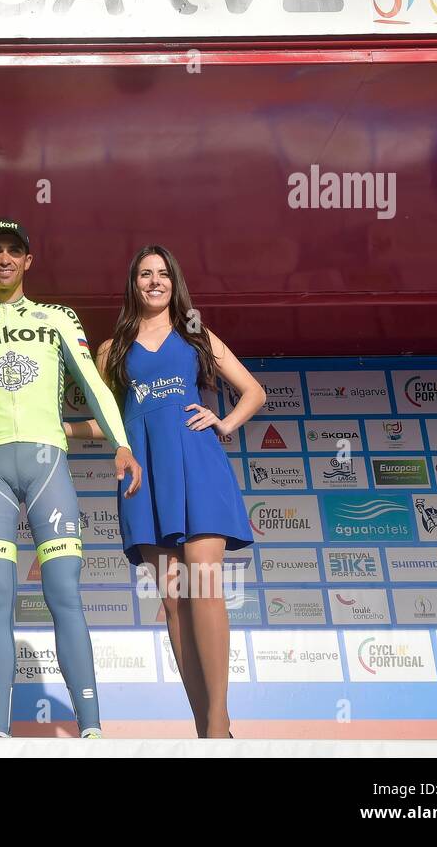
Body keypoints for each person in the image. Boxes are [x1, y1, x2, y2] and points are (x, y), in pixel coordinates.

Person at [0, 219, 142, 738]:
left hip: (48, 461)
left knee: (64, 591)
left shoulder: (58, 318)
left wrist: (122, 443)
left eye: (13, 251)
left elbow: (92, 382)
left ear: (29, 260)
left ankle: (91, 727)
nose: (3, 259)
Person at [74, 245, 262, 738]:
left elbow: (253, 391)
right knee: (175, 599)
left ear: (174, 282)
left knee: (205, 584)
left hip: (197, 466)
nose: (155, 281)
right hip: (145, 474)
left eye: (162, 274)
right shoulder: (111, 349)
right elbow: (108, 422)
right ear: (133, 284)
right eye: (145, 274)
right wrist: (60, 432)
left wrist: (224, 422)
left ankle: (220, 724)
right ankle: (203, 729)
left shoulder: (195, 334)